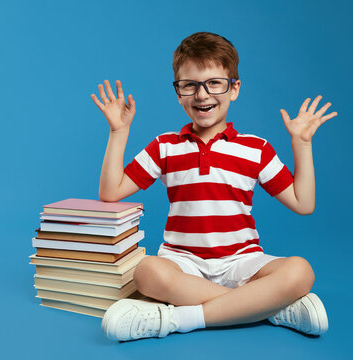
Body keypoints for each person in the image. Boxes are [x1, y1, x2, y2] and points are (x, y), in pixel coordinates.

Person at [91, 32, 337, 341]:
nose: (202, 94)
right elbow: (111, 192)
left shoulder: (256, 148)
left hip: (242, 261)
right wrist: (118, 132)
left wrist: (301, 144)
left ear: (234, 88)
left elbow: (303, 203)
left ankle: (176, 318)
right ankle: (266, 307)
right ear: (178, 93)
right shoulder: (165, 146)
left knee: (301, 271)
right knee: (146, 272)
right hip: (182, 262)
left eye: (214, 83)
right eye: (189, 85)